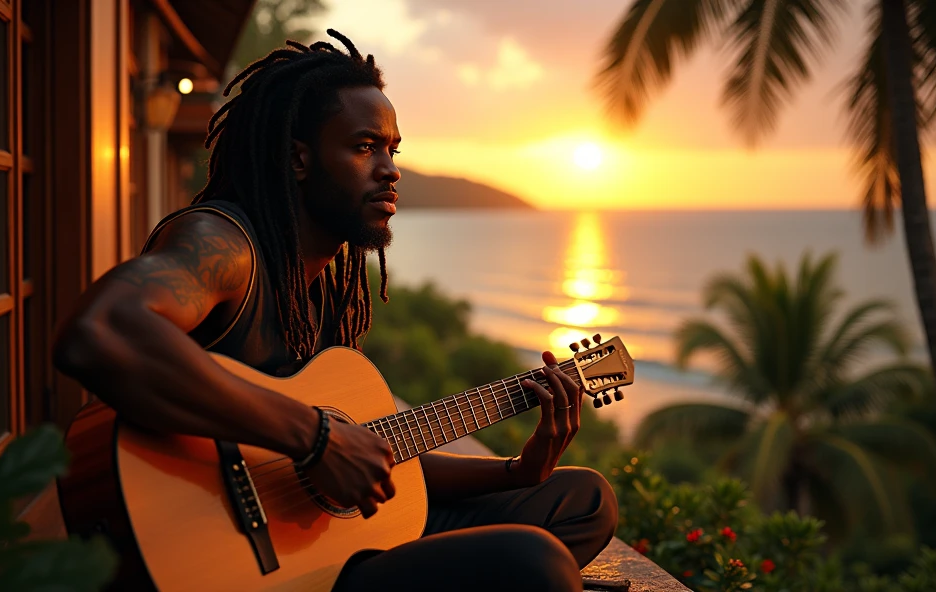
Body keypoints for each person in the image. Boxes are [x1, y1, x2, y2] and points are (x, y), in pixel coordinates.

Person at [53, 29, 617, 592]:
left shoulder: (323, 290)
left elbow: (371, 457)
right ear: (299, 159)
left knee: (583, 500)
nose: (391, 169)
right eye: (365, 146)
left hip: (321, 549)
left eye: (393, 150)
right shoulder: (225, 246)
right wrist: (315, 435)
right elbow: (103, 329)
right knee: (534, 565)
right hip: (226, 567)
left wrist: (516, 471)